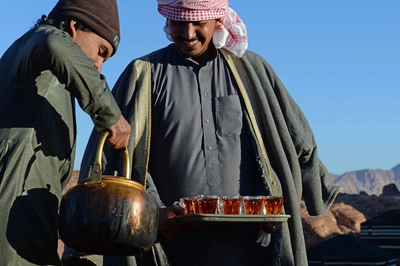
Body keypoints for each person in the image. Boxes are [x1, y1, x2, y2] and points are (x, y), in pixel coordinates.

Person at [65, 0, 341, 265]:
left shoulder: (250, 72)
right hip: (169, 247)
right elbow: (120, 153)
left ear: (217, 19)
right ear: (167, 20)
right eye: (178, 22)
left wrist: (305, 196)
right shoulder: (144, 73)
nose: (188, 34)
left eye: (198, 22)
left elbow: (296, 136)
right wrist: (155, 212)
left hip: (247, 249)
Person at [0, 0, 131, 265]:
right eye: (101, 51)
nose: (98, 65)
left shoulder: (40, 71)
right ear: (73, 28)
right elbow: (54, 45)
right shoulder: (42, 41)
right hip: (13, 229)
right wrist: (110, 114)